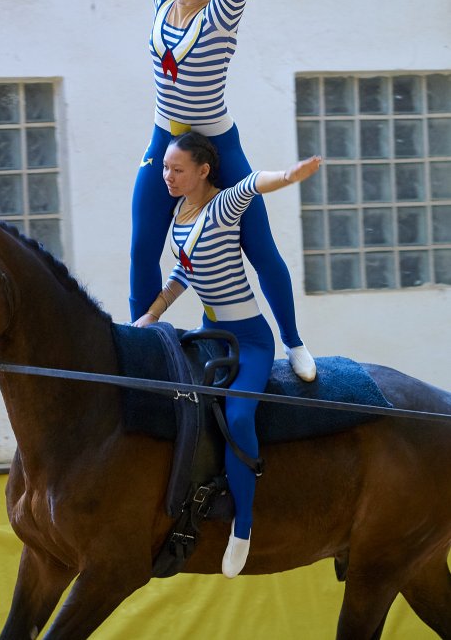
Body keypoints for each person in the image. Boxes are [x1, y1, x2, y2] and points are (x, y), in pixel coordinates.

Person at [109, 0, 316, 382]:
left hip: (218, 143)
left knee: (258, 242)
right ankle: (143, 341)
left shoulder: (222, 10)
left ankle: (292, 342)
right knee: (143, 241)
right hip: (166, 139)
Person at [133, 131, 321, 577]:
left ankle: (244, 527)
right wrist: (152, 313)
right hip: (210, 332)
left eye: (177, 170)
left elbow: (255, 184)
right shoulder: (180, 211)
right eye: (164, 169)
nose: (168, 177)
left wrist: (290, 175)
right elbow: (183, 271)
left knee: (238, 419)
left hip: (250, 339)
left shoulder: (223, 203)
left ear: (203, 171)